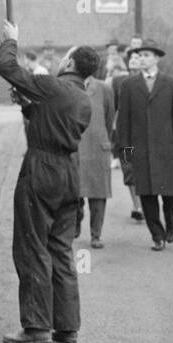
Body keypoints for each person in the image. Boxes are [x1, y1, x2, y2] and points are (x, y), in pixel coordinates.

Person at [0, 21, 95, 343]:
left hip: (41, 168)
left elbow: (6, 67)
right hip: (68, 173)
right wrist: (27, 106)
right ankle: (67, 327)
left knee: (32, 245)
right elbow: (53, 122)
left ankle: (37, 327)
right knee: (61, 249)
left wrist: (11, 40)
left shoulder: (52, 86)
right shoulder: (83, 98)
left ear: (68, 64)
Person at [113, 39, 173, 250]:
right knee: (146, 193)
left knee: (170, 193)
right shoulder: (128, 85)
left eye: (146, 55)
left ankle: (170, 223)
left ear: (156, 58)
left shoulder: (171, 84)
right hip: (140, 149)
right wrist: (126, 153)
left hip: (167, 148)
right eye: (139, 55)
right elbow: (123, 121)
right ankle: (157, 235)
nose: (142, 59)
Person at [77, 54, 116, 249]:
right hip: (75, 148)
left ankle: (96, 234)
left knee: (98, 194)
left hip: (98, 147)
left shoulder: (104, 88)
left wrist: (104, 139)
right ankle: (74, 224)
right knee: (74, 192)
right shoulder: (68, 86)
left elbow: (109, 119)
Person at [109, 48, 145, 222]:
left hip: (145, 135)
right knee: (129, 168)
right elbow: (114, 108)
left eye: (138, 57)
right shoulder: (118, 81)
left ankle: (146, 204)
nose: (134, 60)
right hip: (126, 136)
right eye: (131, 57)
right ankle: (136, 205)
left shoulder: (150, 82)